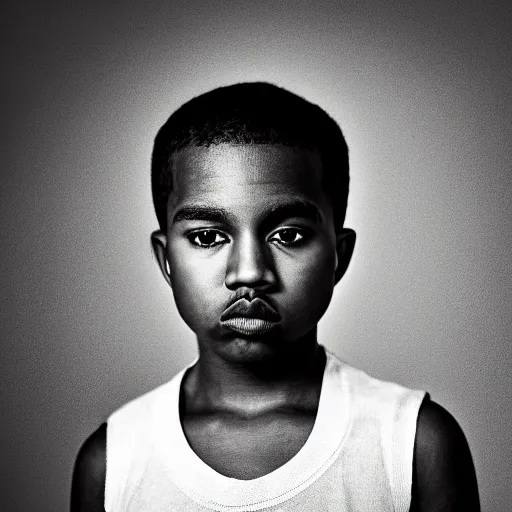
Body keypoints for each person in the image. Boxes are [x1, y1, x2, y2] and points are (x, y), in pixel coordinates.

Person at [71, 82, 480, 511]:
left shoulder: (413, 444)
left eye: (288, 235)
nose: (249, 272)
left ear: (338, 257)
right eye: (208, 237)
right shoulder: (113, 463)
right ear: (166, 259)